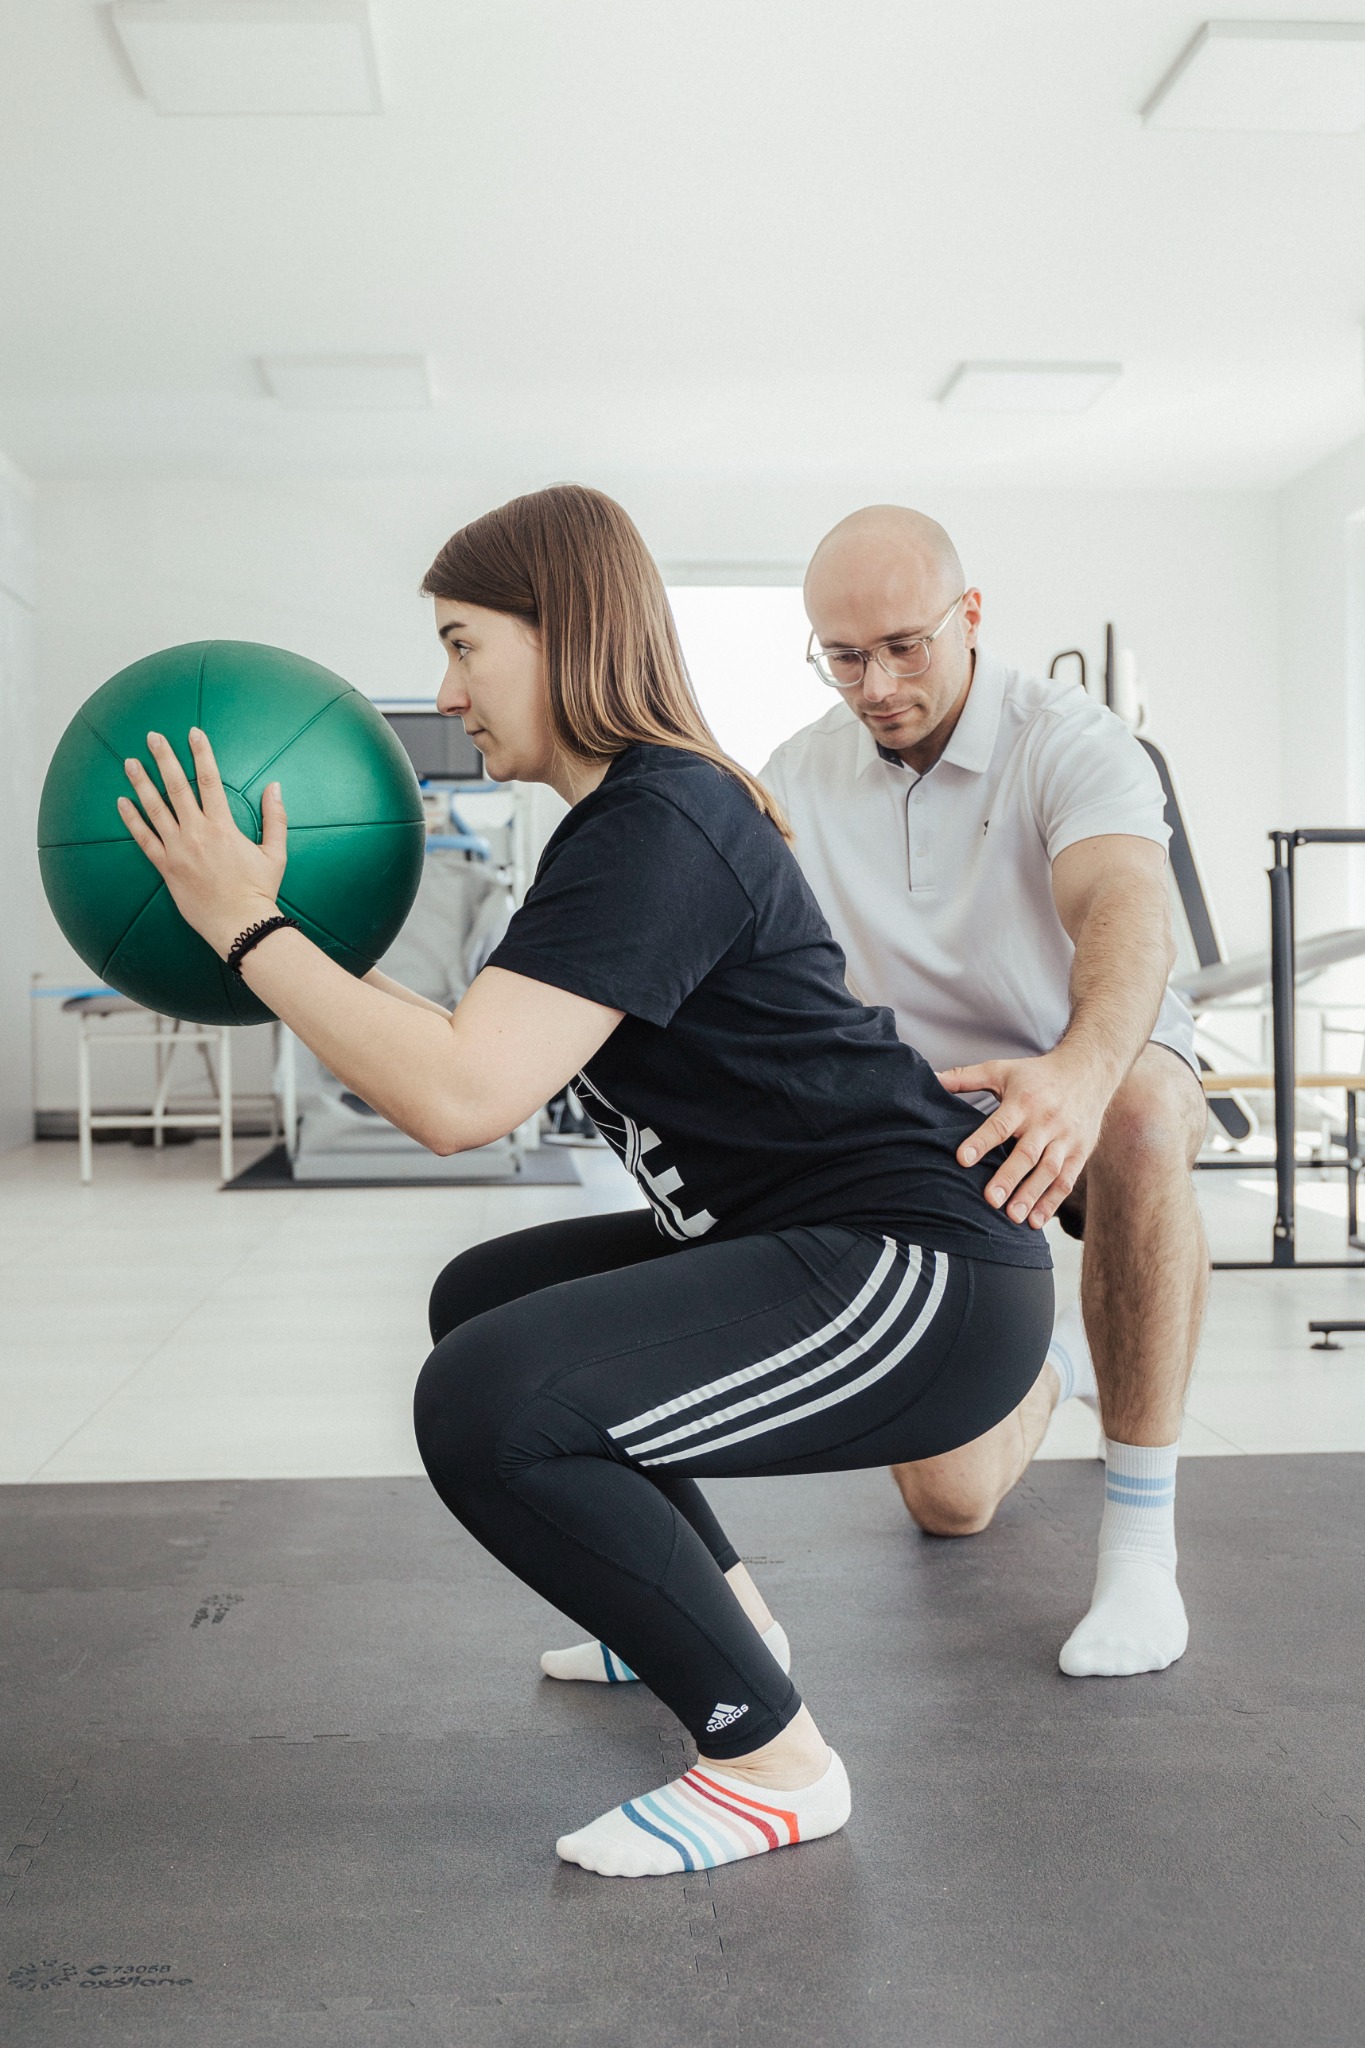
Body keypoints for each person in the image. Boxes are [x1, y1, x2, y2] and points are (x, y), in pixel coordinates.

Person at [115, 484, 1054, 1879]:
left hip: (916, 1279)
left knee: (489, 1408)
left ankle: (768, 1755)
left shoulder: (659, 823)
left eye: (462, 644)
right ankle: (722, 1616)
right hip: (838, 1243)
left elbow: (457, 1095)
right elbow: (462, 1056)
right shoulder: (623, 824)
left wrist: (246, 925)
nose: (446, 690)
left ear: (563, 634)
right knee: (486, 1294)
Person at [760, 506, 1209, 1681]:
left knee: (1146, 1121)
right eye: (845, 655)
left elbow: (1124, 901)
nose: (878, 681)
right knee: (950, 1504)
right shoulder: (798, 776)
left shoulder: (1069, 738)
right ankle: (1058, 1358)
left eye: (905, 645)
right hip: (932, 1098)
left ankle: (1141, 1551)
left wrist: (1079, 1068)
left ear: (969, 616)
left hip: (1087, 1050)